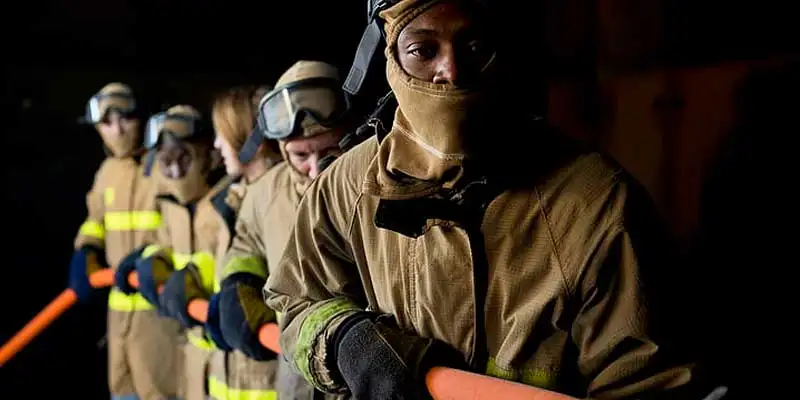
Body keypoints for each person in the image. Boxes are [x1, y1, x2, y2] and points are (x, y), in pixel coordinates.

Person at [264, 1, 714, 399]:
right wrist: (346, 338)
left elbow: (648, 380)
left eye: (473, 45)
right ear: (390, 58)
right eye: (423, 50)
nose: (451, 70)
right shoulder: (347, 185)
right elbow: (297, 301)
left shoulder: (596, 203)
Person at [209, 60, 351, 400]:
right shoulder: (264, 194)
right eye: (301, 155)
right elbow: (246, 244)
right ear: (283, 147)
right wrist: (238, 282)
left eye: (329, 153)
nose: (315, 170)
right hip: (294, 384)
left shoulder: (374, 184)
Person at [68, 83, 183, 400]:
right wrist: (87, 249)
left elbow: (184, 226)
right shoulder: (107, 171)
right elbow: (97, 220)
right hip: (119, 321)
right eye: (106, 123)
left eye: (125, 119)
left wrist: (149, 254)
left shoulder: (166, 165)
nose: (117, 130)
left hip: (159, 317)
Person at [113, 104, 227, 400]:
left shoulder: (229, 202)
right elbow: (164, 242)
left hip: (228, 361)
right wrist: (150, 259)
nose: (175, 172)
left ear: (209, 155)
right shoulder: (171, 206)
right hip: (190, 357)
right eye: (166, 162)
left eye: (184, 159)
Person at [203, 85, 284, 399]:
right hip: (232, 379)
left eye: (222, 133)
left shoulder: (280, 201)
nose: (216, 144)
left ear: (250, 138)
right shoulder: (235, 198)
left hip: (268, 381)